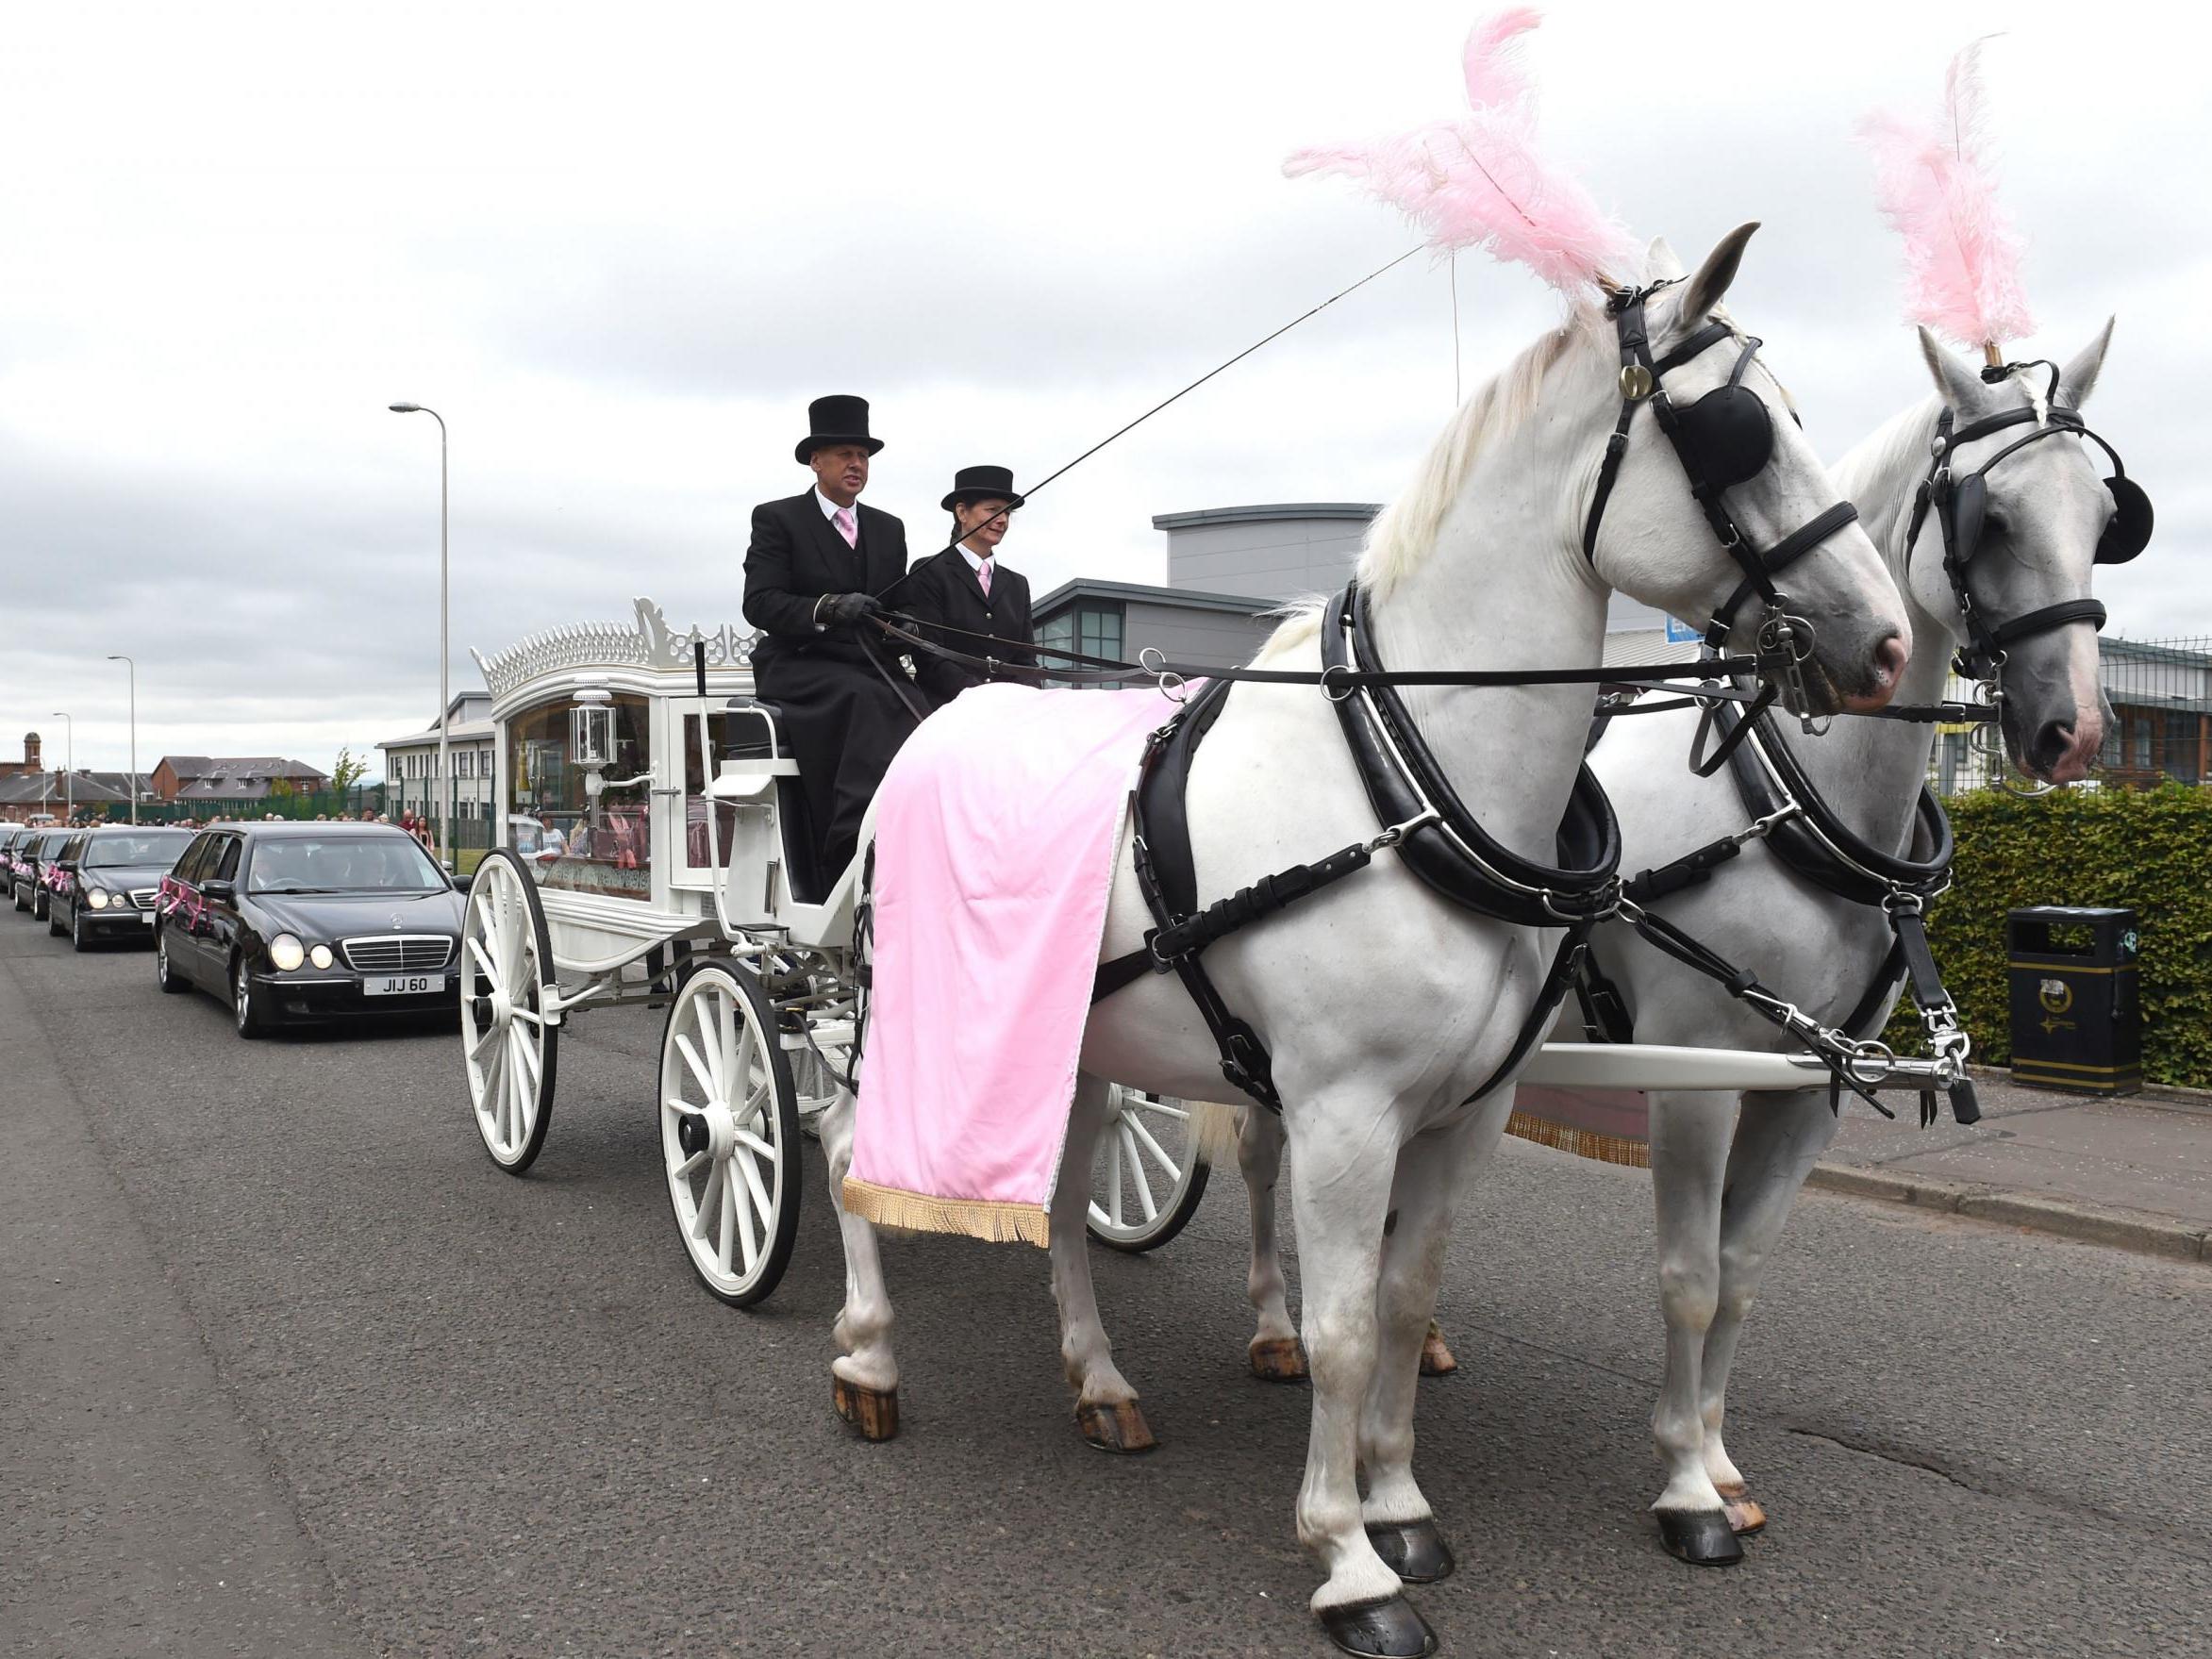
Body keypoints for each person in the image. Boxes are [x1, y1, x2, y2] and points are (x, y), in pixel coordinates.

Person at [740, 394, 923, 884]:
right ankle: (850, 839)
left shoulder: (888, 528)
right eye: (845, 455)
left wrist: (906, 624)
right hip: (799, 663)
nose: (856, 465)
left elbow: (898, 599)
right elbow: (759, 603)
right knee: (863, 699)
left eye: (862, 456)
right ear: (816, 461)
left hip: (866, 663)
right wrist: (825, 608)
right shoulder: (778, 518)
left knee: (922, 706)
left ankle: (915, 829)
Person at [899, 464, 1037, 708]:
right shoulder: (929, 571)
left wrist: (1023, 700)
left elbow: (1025, 660)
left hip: (1010, 711)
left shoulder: (1018, 584)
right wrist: (978, 696)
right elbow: (929, 654)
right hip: (946, 707)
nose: (1002, 520)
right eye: (993, 510)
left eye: (1008, 513)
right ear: (962, 512)